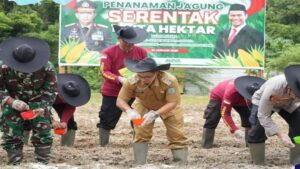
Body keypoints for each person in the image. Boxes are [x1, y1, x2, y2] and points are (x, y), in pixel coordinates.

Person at [116, 58, 188, 166]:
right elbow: (120, 100)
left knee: (176, 133)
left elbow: (173, 102)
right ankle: (140, 163)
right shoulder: (132, 81)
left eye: (147, 77)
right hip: (143, 105)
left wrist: (155, 114)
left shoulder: (169, 80)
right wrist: (130, 111)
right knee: (141, 132)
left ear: (156, 73)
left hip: (168, 106)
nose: (144, 79)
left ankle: (179, 163)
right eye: (140, 76)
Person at [0, 37, 57, 165]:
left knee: (43, 132)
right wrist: (11, 101)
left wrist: (43, 107)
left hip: (38, 103)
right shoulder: (3, 67)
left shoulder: (47, 67)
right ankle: (15, 163)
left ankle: (42, 163)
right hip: (13, 102)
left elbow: (51, 91)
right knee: (11, 134)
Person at [97, 25, 148, 147]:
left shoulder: (142, 52)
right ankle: (103, 145)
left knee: (138, 116)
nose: (129, 45)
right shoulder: (108, 53)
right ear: (119, 39)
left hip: (136, 91)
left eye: (132, 43)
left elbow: (147, 69)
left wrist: (140, 78)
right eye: (126, 42)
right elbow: (104, 72)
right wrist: (119, 79)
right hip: (113, 92)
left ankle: (138, 141)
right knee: (106, 118)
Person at [247, 65, 300, 165]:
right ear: (290, 87)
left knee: (299, 123)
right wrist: (280, 135)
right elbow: (263, 114)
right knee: (258, 128)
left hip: (288, 103)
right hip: (262, 101)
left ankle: (296, 160)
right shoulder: (274, 87)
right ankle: (258, 162)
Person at [23, 73, 91, 147]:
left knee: (70, 123)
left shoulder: (71, 91)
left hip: (56, 100)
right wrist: (52, 120)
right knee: (27, 119)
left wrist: (64, 121)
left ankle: (66, 147)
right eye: (66, 99)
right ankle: (23, 144)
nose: (68, 101)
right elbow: (39, 107)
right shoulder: (47, 87)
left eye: (69, 99)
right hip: (37, 101)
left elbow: (70, 106)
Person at [201, 76, 265, 149]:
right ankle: (206, 144)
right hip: (219, 95)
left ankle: (251, 143)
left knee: (250, 118)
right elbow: (225, 113)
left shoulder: (258, 90)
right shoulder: (231, 92)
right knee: (212, 117)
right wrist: (234, 129)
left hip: (242, 101)